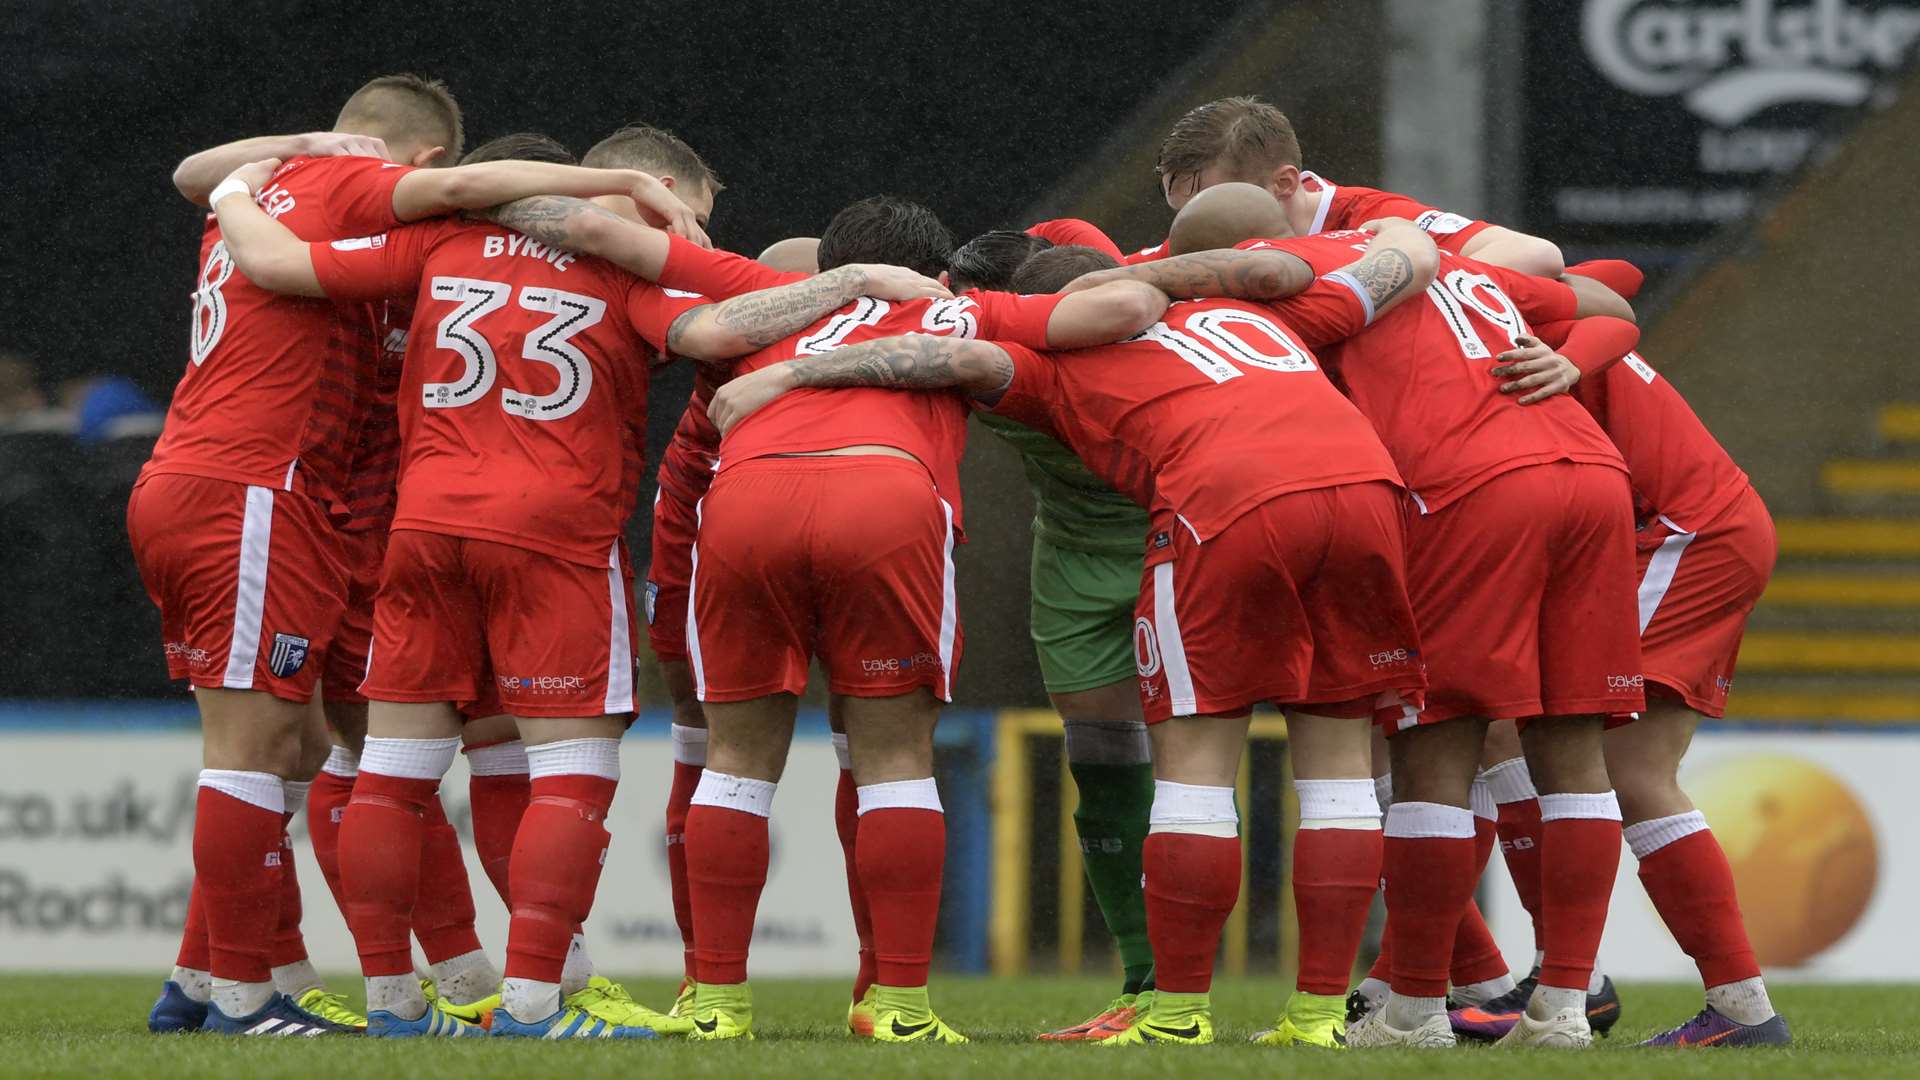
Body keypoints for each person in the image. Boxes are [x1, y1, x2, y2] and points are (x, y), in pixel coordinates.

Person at [208, 148, 946, 1038]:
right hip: (553, 528)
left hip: (424, 522)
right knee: (571, 769)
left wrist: (234, 193)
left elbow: (278, 263)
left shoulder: (444, 243)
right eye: (690, 211)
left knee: (390, 776)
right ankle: (533, 1003)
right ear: (648, 194)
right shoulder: (616, 262)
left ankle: (392, 1004)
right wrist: (854, 285)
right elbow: (718, 332)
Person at [711, 219, 1442, 1049]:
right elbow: (1403, 262)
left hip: (1225, 505)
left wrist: (790, 376)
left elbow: (948, 359)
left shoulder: (1054, 361)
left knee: (1195, 775)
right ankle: (1314, 1018)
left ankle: (1176, 1014)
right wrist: (1393, 236)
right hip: (1367, 493)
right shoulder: (1261, 315)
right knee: (1341, 774)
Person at [131, 73, 703, 1038]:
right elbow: (702, 312)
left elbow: (213, 193)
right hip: (304, 503)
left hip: (326, 515)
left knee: (332, 752)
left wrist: (236, 190)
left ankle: (247, 977)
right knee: (308, 752)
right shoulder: (375, 198)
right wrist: (637, 206)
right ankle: (275, 991)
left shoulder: (316, 214)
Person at [1068, 183, 1645, 1050]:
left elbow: (1247, 272)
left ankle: (1414, 1007)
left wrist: (1163, 276)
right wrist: (1576, 358)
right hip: (1591, 473)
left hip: (1468, 487)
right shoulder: (1451, 266)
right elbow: (1609, 296)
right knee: (1572, 745)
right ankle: (1563, 1006)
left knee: (1432, 748)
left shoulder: (1302, 273)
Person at [656, 194, 1166, 1044]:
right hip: (884, 493)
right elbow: (1117, 305)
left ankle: (716, 1002)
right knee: (894, 761)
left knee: (736, 764)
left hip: (745, 499)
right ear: (932, 270)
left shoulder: (758, 321)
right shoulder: (953, 309)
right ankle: (896, 1004)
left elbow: (693, 326)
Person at [1451, 263, 1789, 1049]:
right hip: (1696, 527)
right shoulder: (1502, 304)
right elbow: (1616, 280)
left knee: (1537, 739)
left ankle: (1566, 983)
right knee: (1580, 755)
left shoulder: (1482, 323)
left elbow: (1612, 296)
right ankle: (1723, 1010)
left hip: (1679, 534)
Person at [943, 223, 1162, 1040]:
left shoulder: (1134, 326)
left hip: (1181, 541)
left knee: (1207, 771)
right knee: (1102, 758)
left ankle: (1436, 973)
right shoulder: (998, 357)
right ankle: (1145, 982)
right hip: (1072, 559)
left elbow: (1082, 248)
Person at [1137, 94, 1562, 276]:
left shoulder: (1372, 216)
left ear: (1284, 183)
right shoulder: (1205, 236)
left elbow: (1537, 254)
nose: (1196, 222)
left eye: (1216, 200)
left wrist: (1371, 288)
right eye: (1183, 211)